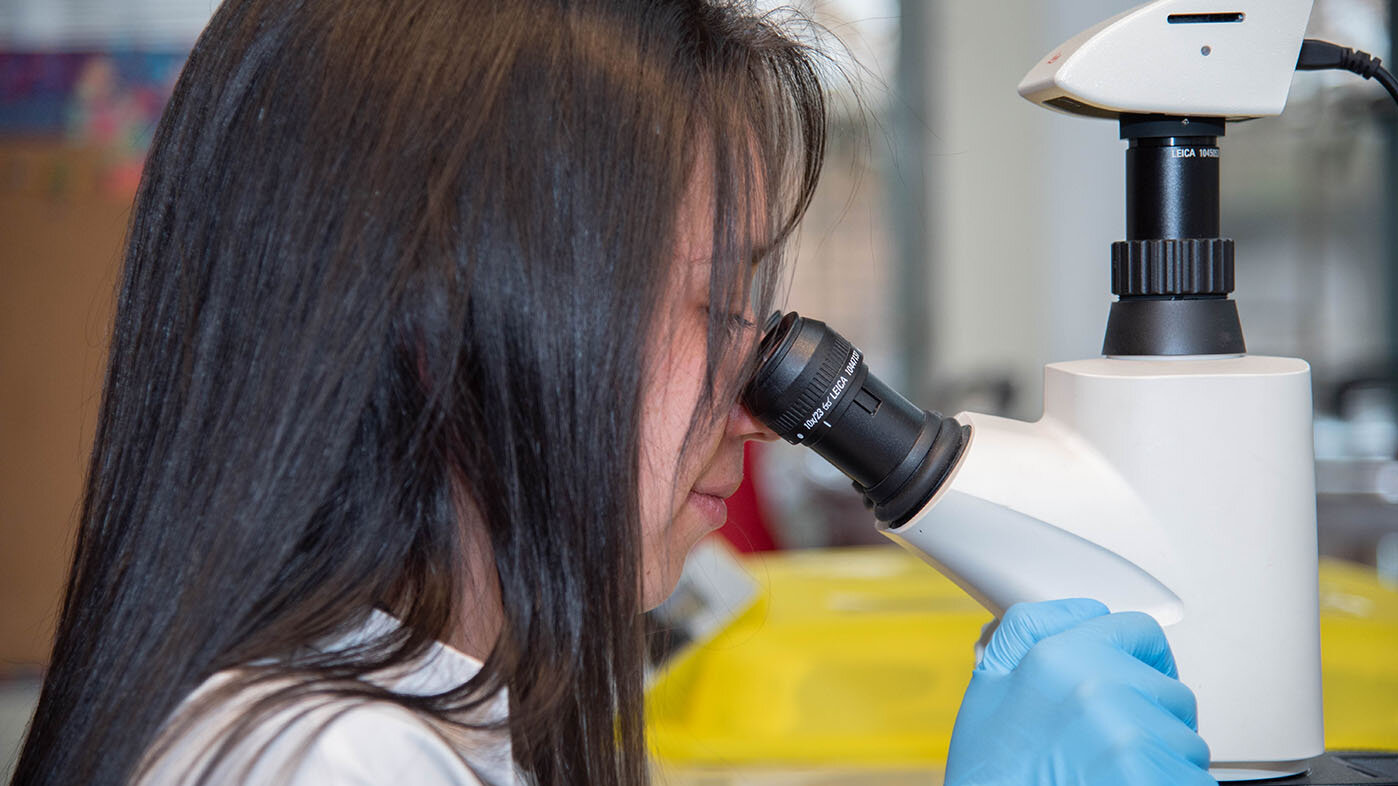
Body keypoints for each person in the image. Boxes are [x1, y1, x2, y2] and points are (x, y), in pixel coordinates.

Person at [11, 1, 1216, 785]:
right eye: (714, 304)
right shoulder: (329, 761)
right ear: (448, 323)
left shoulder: (439, 702)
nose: (758, 403)